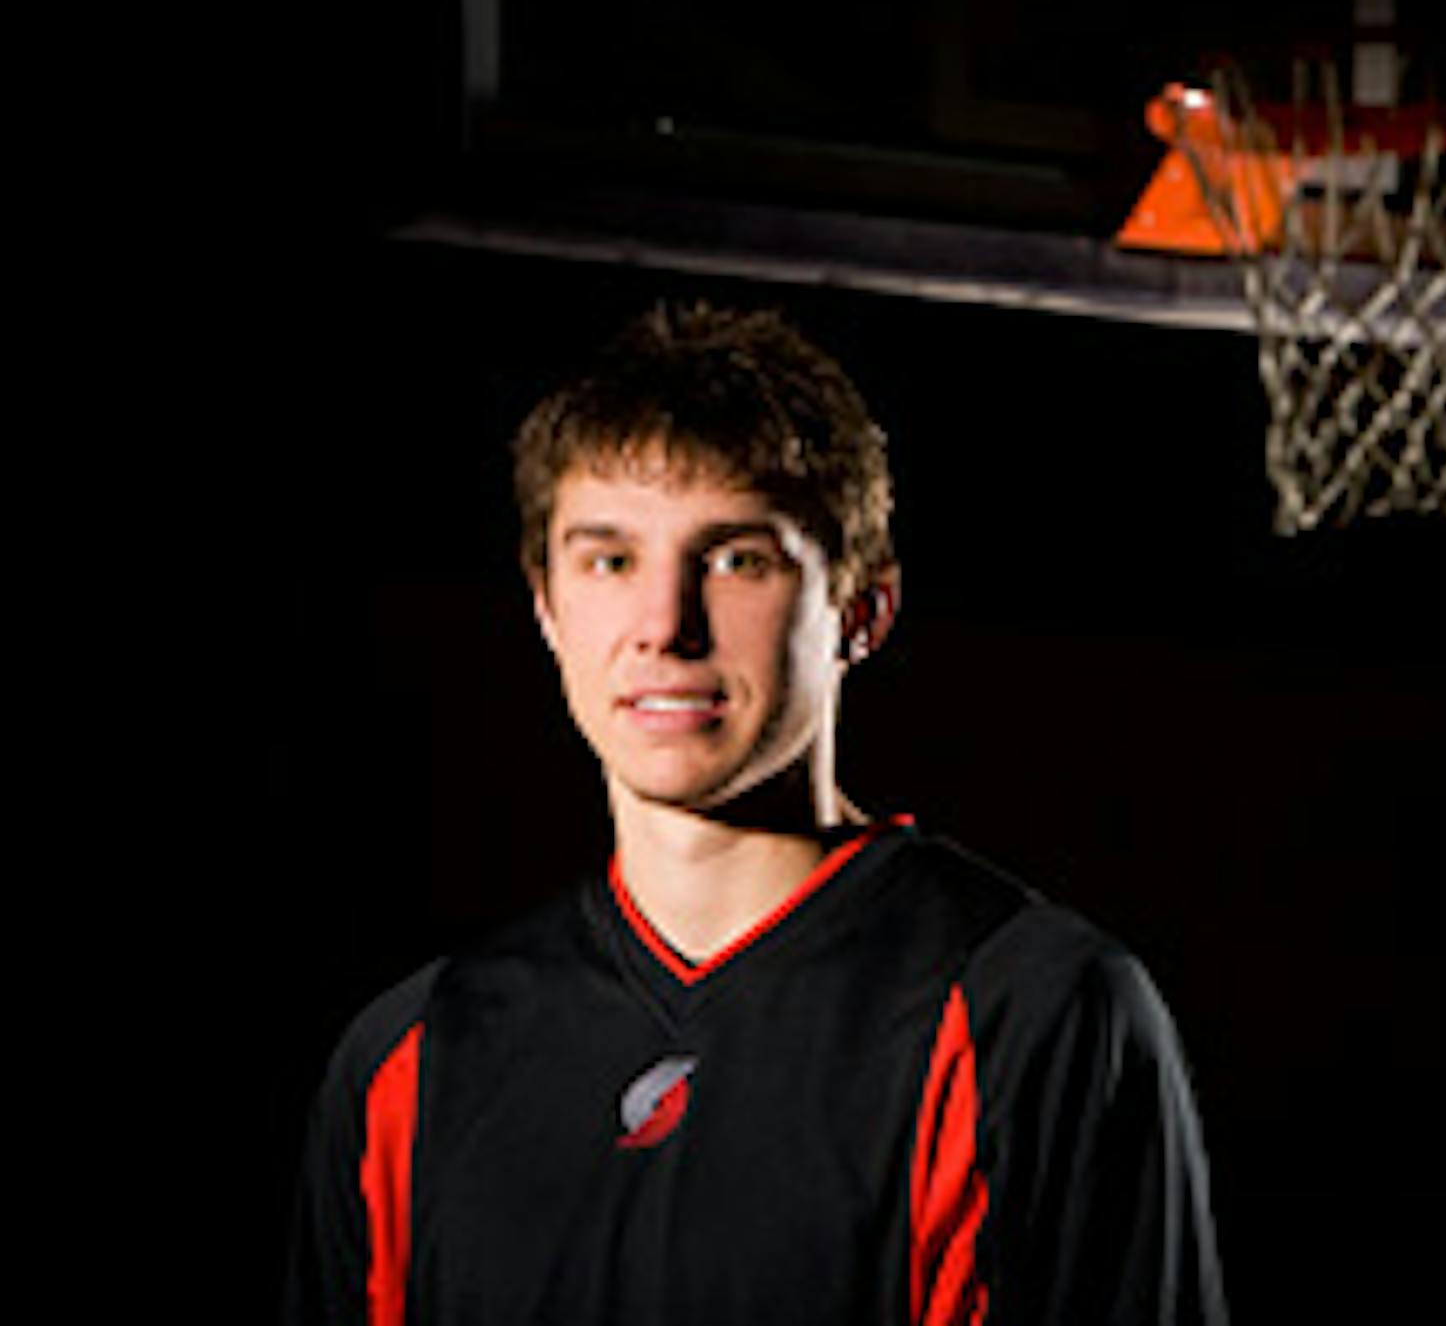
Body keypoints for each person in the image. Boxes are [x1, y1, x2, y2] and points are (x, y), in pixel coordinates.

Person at [284, 303, 1228, 1325]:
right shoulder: (412, 1057)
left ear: (862, 608)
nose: (664, 627)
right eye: (609, 559)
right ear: (545, 603)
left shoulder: (1031, 1009)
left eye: (737, 559)